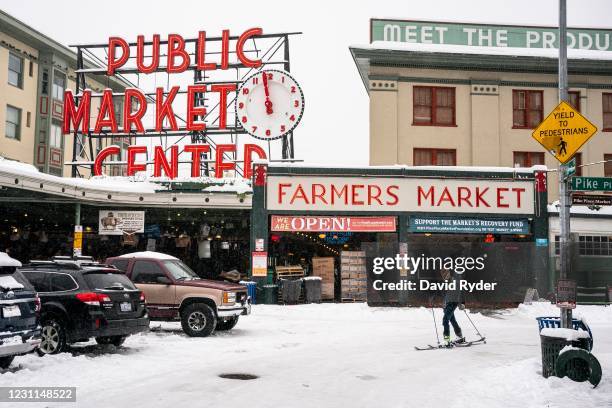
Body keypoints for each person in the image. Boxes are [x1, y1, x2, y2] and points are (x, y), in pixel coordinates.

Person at [440, 268, 465, 346]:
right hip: (446, 304)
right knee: (452, 320)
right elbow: (443, 294)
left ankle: (446, 340)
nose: (445, 276)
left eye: (446, 274)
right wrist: (433, 298)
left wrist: (462, 303)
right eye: (443, 275)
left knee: (445, 320)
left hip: (453, 303)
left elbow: (460, 292)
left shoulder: (454, 281)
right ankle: (460, 336)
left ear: (449, 273)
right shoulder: (445, 282)